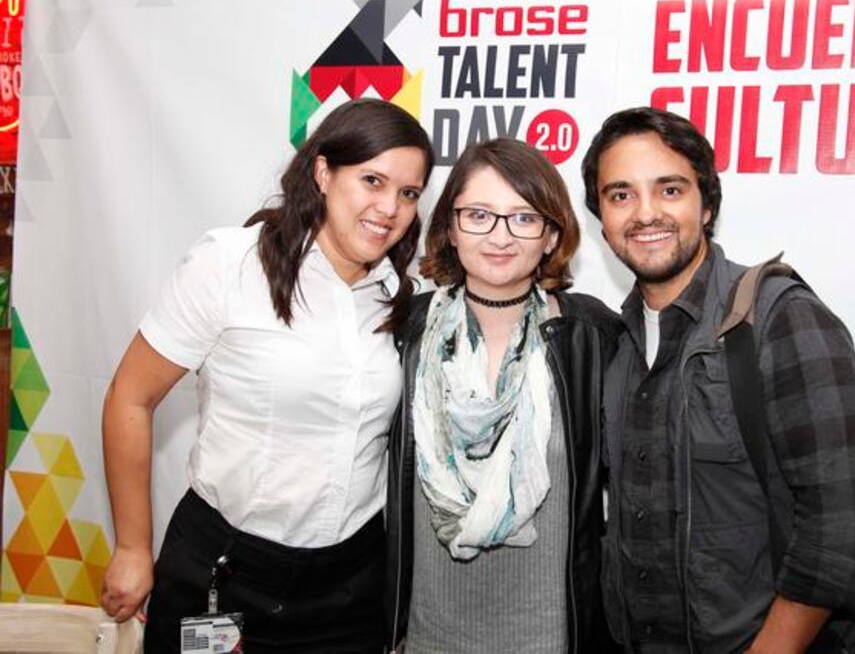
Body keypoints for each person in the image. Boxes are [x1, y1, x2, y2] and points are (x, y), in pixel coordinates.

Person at [99, 98, 434, 653]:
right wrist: (133, 548)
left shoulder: (403, 298)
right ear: (323, 172)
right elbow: (129, 398)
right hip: (225, 576)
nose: (390, 208)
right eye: (372, 180)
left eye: (409, 193)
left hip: (351, 589)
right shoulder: (230, 264)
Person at [581, 107, 855, 653]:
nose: (646, 213)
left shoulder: (778, 318)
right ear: (601, 218)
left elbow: (846, 529)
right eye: (621, 194)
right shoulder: (614, 343)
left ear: (707, 206)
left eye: (670, 190)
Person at [385, 138, 620, 653]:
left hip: (550, 636)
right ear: (449, 226)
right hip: (428, 636)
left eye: (524, 218)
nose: (500, 236)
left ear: (551, 234)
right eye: (480, 215)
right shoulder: (405, 329)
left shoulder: (592, 336)